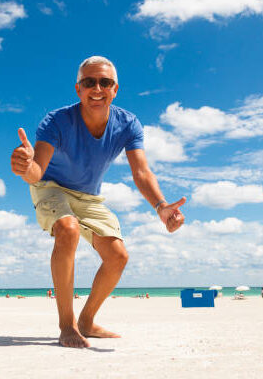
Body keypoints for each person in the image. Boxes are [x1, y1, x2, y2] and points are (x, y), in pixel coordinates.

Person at [11, 56, 185, 348]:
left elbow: (141, 172)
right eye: (88, 82)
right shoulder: (56, 121)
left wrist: (160, 206)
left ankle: (86, 321)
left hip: (88, 196)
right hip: (50, 187)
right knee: (68, 229)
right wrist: (25, 166)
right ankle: (67, 325)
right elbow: (36, 171)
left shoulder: (128, 124)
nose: (97, 88)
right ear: (78, 88)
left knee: (118, 256)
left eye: (105, 82)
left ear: (115, 89)